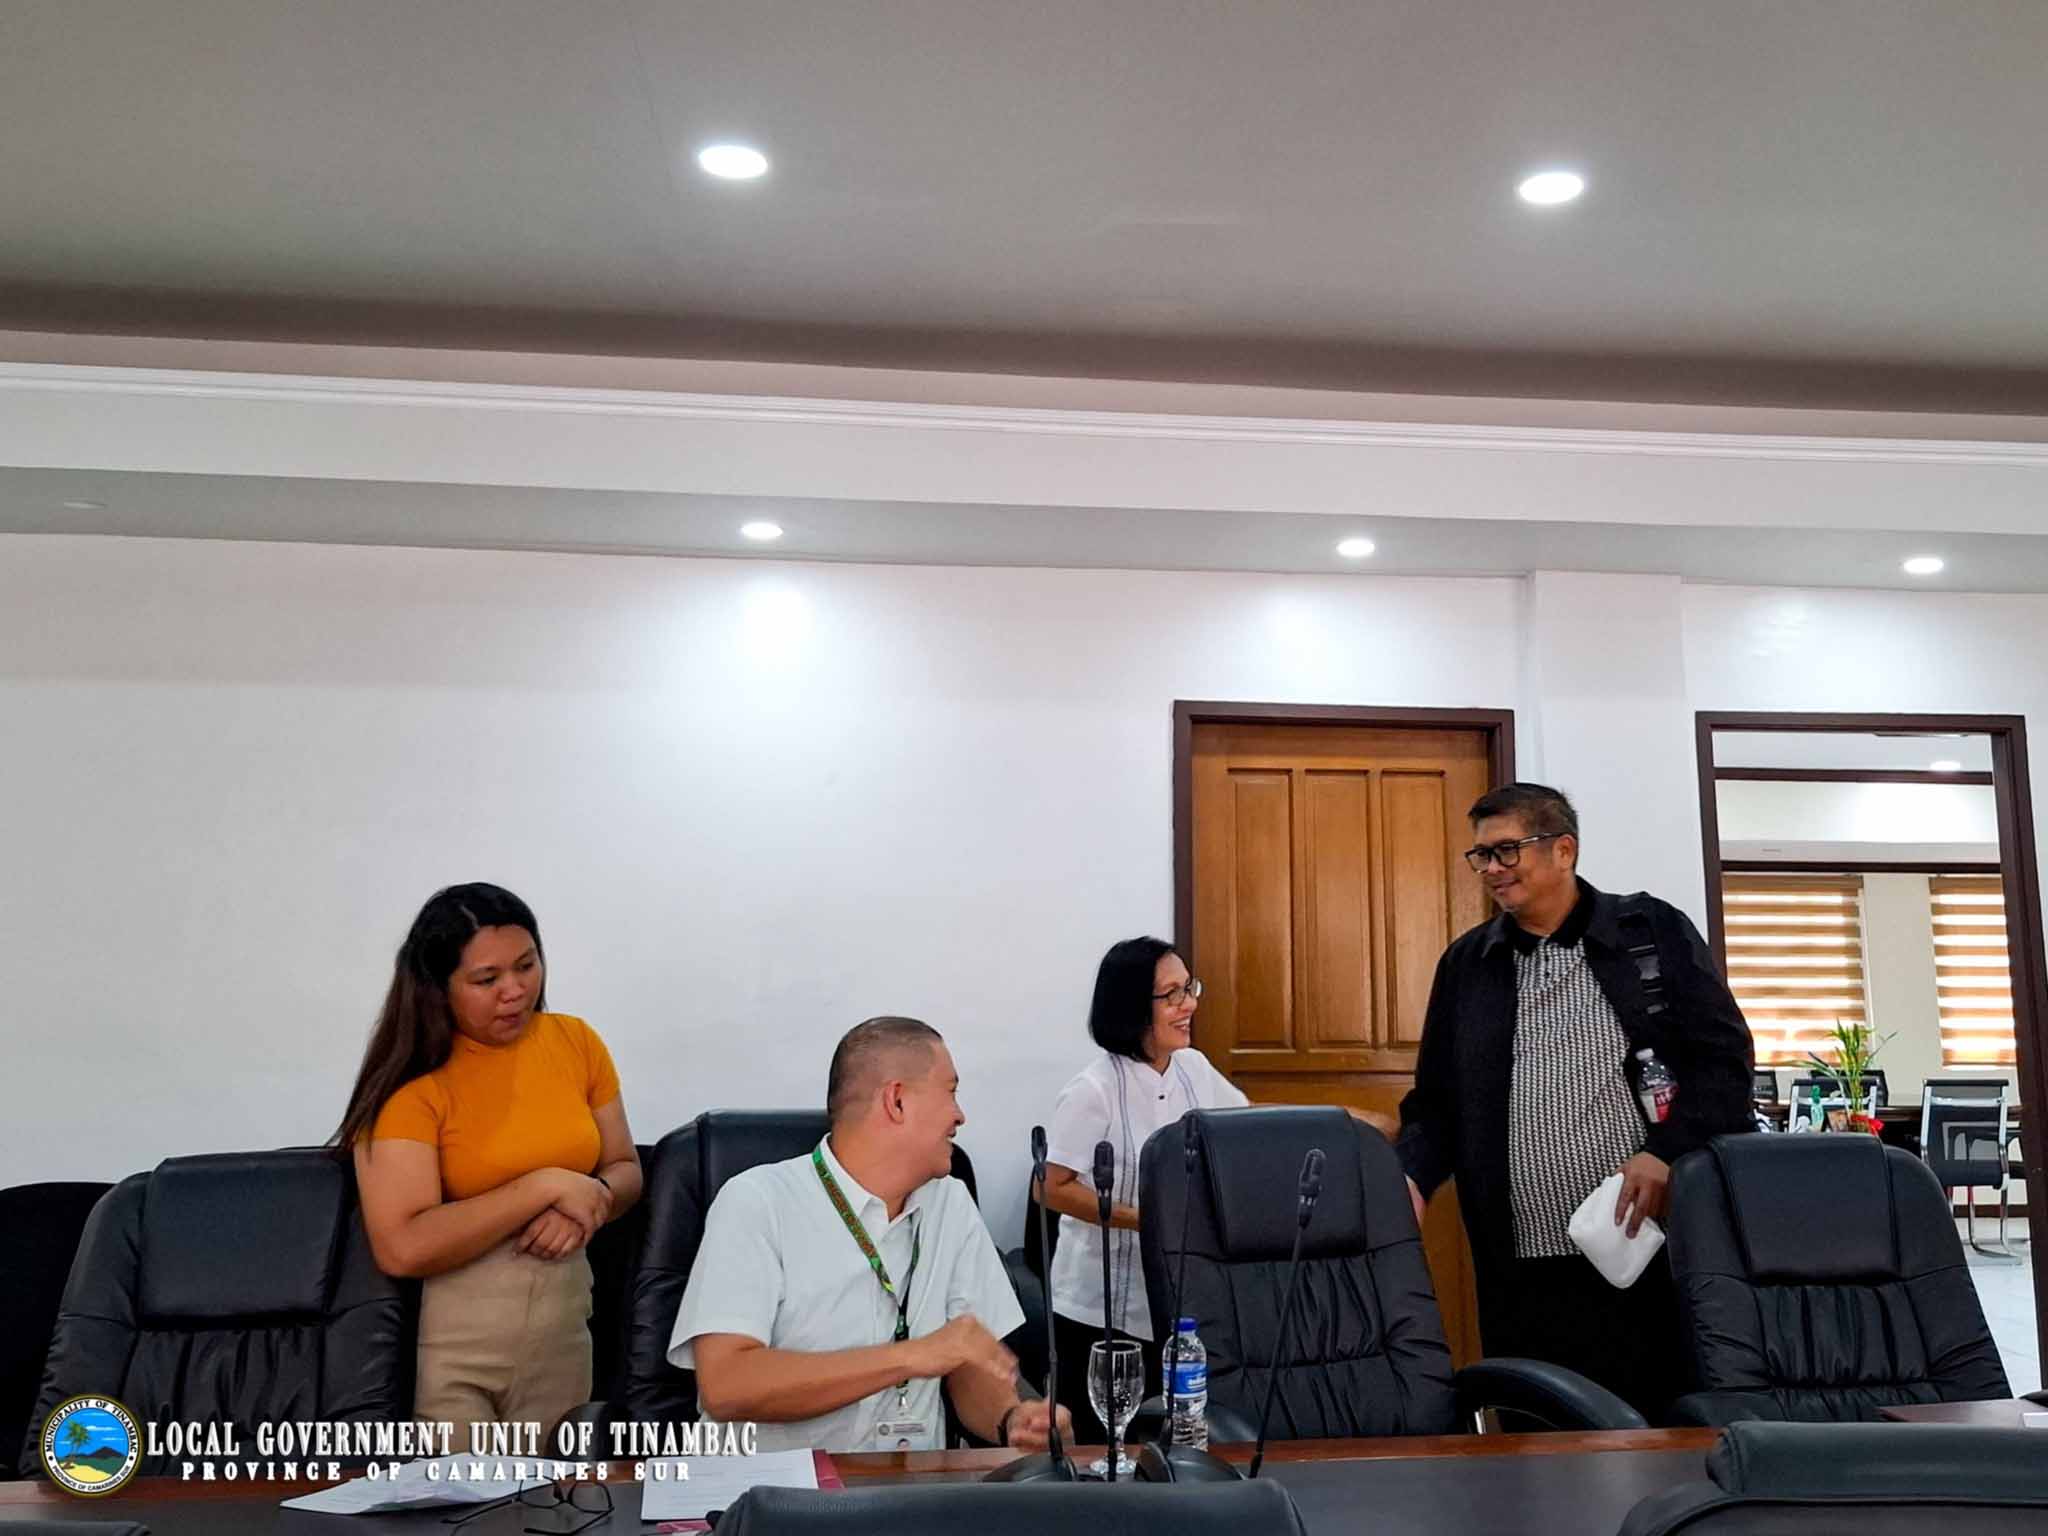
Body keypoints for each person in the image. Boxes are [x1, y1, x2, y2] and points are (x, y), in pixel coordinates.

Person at [1396, 784, 1754, 1419]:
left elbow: (1723, 1063)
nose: (1492, 869)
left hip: (1647, 1250)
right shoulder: (1468, 964)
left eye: (1507, 850)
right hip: (1518, 1264)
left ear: (1564, 850)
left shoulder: (1649, 932)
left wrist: (1665, 1153)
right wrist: (1413, 1178)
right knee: (1537, 1427)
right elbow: (1436, 1102)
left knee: (1653, 1428)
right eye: (1481, 856)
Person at [669, 1017, 1070, 1455]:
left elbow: (966, 1364)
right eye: (951, 1091)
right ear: (896, 1101)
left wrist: (1011, 1418)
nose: (960, 1115)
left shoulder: (950, 1203)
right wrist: (911, 1356)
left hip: (910, 1488)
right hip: (773, 1487)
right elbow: (726, 1385)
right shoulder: (757, 1202)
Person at [336, 883, 643, 1450]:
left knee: (560, 1494)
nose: (515, 990)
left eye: (527, 965)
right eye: (487, 979)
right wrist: (542, 1188)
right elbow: (402, 1246)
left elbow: (624, 1167)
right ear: (439, 987)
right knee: (466, 1498)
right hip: (454, 1358)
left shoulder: (575, 1042)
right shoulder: (413, 1087)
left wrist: (591, 1201)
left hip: (563, 1339)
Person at [1042, 937, 1249, 1443]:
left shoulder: (1194, 1068)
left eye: (1189, 988)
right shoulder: (1094, 1090)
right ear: (1134, 1006)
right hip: (1098, 1312)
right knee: (1104, 1449)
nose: (1189, 1004)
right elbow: (1050, 1188)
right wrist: (1146, 1221)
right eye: (1172, 994)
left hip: (1178, 1301)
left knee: (1177, 1442)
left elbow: (1245, 1127)